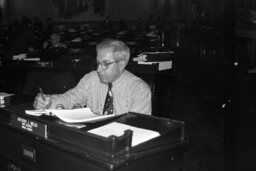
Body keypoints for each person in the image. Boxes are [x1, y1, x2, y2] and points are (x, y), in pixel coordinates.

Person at [33, 39, 152, 115]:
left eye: (105, 64)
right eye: (98, 63)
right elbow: (71, 98)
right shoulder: (91, 79)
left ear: (121, 64)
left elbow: (138, 129)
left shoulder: (139, 90)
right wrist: (48, 102)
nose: (99, 69)